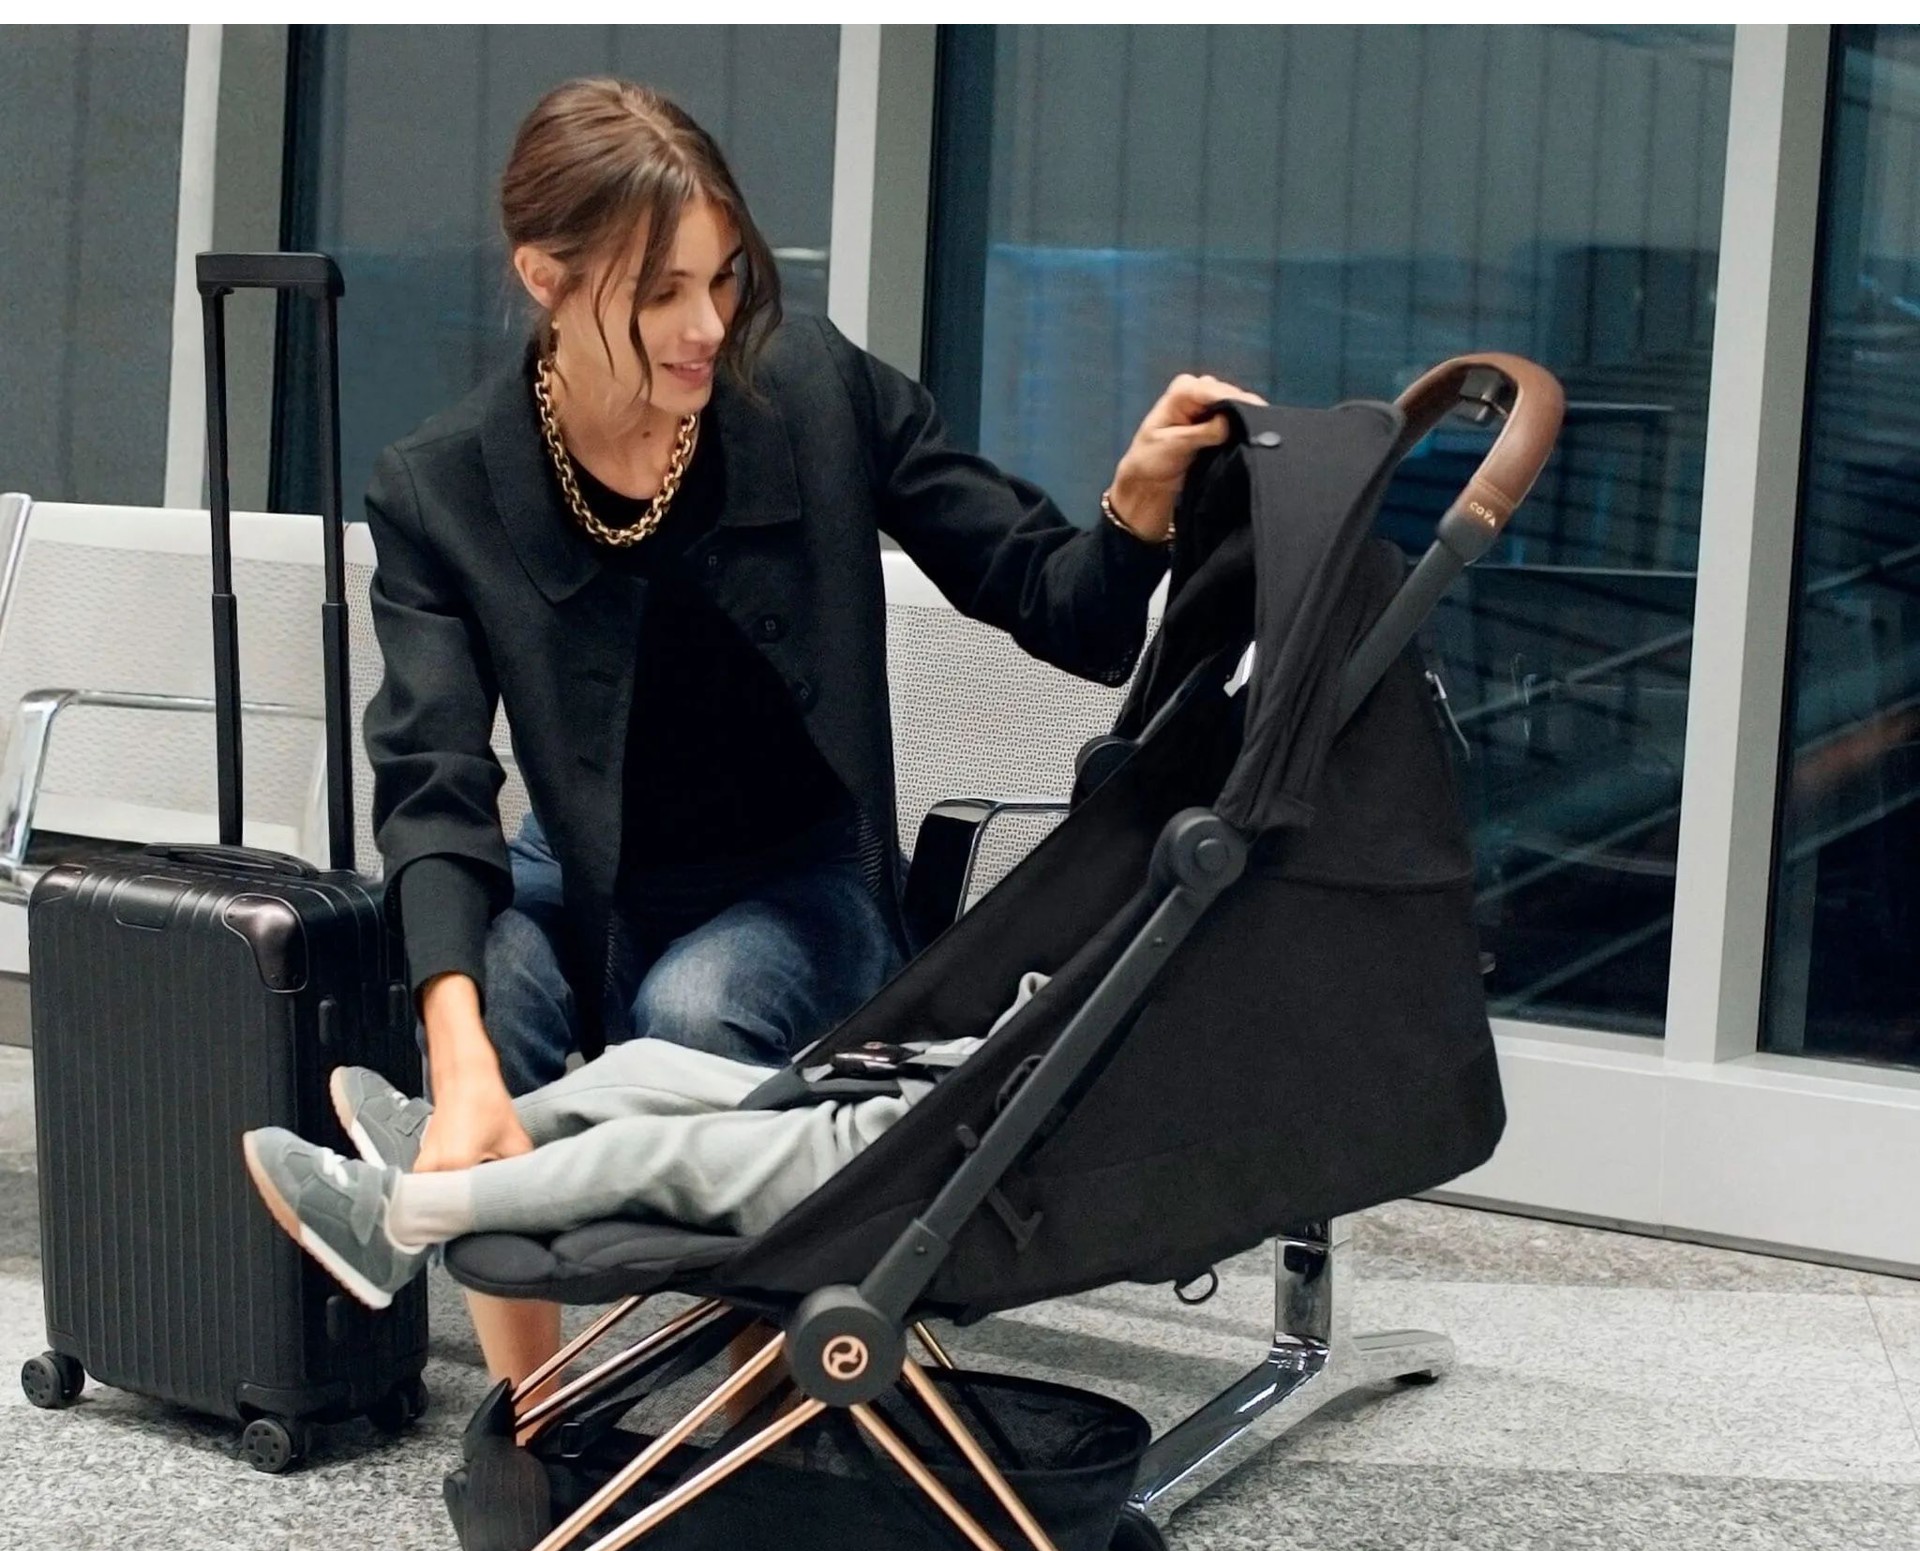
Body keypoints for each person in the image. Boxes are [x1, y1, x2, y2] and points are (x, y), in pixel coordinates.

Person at [363, 75, 1261, 1392]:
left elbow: (1049, 596)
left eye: (724, 277)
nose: (708, 326)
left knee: (695, 1007)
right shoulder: (441, 484)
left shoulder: (814, 389)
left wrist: (1131, 511)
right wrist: (459, 1060)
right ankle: (531, 1415)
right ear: (545, 280)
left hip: (798, 877)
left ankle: (744, 1384)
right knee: (482, 1004)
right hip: (582, 870)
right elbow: (430, 781)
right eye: (660, 292)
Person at [239, 973, 1051, 1309]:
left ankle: (401, 1218)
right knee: (641, 1067)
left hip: (928, 1163)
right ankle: (429, 1143)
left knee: (654, 1151)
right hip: (939, 1090)